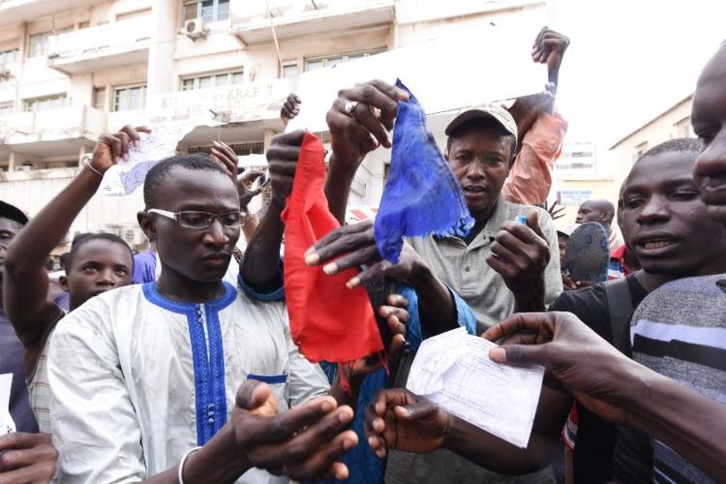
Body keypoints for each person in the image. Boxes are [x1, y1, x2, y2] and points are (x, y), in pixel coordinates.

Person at [46, 146, 408, 482]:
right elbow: (103, 475)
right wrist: (231, 453)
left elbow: (312, 429)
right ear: (149, 225)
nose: (219, 236)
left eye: (229, 218)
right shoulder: (93, 329)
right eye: (195, 218)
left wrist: (350, 377)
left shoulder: (272, 315)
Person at [551, 137, 726, 482]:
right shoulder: (581, 311)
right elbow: (536, 443)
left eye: (681, 194)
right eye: (634, 201)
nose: (650, 212)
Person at [3, 128, 140, 437]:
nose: (107, 279)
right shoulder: (47, 331)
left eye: (120, 271)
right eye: (91, 268)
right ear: (64, 282)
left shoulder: (141, 336)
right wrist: (93, 172)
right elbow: (20, 266)